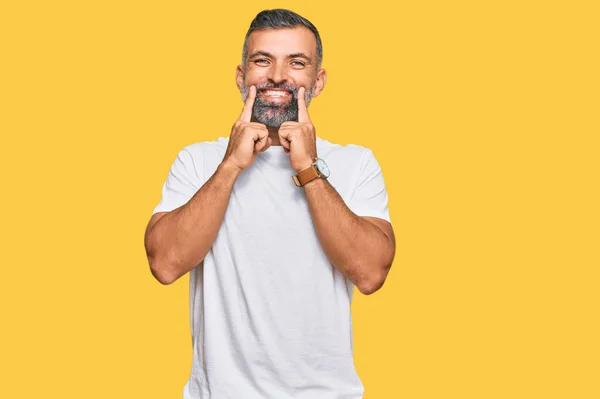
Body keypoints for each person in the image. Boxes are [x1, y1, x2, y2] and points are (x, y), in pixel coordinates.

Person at [144, 8, 396, 399]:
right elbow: (165, 263)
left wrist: (309, 169)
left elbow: (370, 274)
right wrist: (230, 166)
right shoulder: (198, 161)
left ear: (319, 80)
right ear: (241, 76)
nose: (278, 76)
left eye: (297, 62)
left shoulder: (355, 163)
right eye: (263, 60)